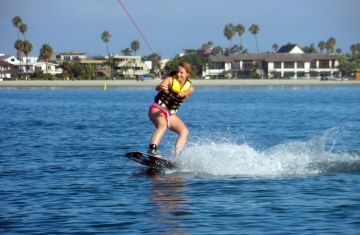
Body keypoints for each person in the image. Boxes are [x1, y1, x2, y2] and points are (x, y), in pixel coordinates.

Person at [148, 61, 195, 157]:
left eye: (181, 72)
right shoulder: (169, 79)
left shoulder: (190, 88)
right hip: (157, 108)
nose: (178, 74)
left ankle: (176, 155)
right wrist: (161, 87)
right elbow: (158, 88)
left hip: (170, 114)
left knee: (184, 131)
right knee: (163, 125)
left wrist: (183, 95)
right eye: (178, 72)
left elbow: (186, 95)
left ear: (187, 74)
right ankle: (152, 150)